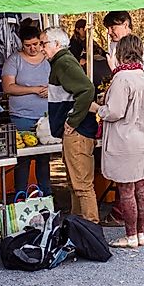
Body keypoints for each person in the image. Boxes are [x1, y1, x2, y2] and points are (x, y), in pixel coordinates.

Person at [89, 35, 144, 248]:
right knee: (141, 189)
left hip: (125, 140)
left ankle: (130, 236)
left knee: (126, 191)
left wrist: (97, 108)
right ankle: (141, 233)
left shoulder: (122, 78)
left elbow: (115, 111)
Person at [101, 11, 144, 227]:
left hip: (129, 128)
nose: (110, 32)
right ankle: (141, 226)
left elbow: (116, 109)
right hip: (142, 125)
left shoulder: (128, 65)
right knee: (141, 180)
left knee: (129, 185)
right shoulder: (135, 64)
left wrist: (99, 109)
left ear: (126, 25)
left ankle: (129, 227)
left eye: (113, 27)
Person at [41, 27, 99, 223]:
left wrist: (72, 120)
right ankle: (78, 227)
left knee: (81, 185)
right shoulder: (61, 62)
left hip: (78, 132)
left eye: (44, 44)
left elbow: (86, 89)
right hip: (75, 132)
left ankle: (91, 229)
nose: (42, 48)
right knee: (75, 183)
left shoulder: (64, 62)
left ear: (57, 44)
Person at [2, 25, 51, 198]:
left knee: (44, 158)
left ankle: (45, 195)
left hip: (45, 116)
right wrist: (34, 89)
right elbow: (8, 87)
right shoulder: (14, 60)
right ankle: (21, 195)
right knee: (22, 159)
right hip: (21, 116)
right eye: (28, 45)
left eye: (36, 44)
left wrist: (50, 90)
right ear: (22, 44)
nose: (33, 48)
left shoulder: (48, 58)